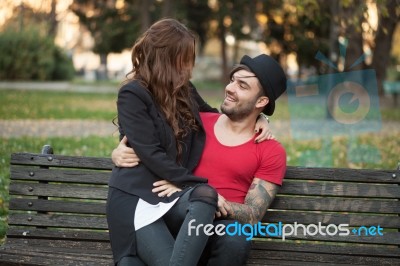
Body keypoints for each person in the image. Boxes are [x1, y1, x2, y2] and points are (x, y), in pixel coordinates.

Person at [106, 18, 271, 266]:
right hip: (138, 198)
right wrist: (193, 184)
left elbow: (219, 117)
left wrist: (259, 117)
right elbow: (150, 154)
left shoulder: (184, 89)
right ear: (166, 59)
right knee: (204, 193)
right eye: (184, 60)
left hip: (169, 199)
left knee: (205, 195)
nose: (189, 68)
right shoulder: (133, 94)